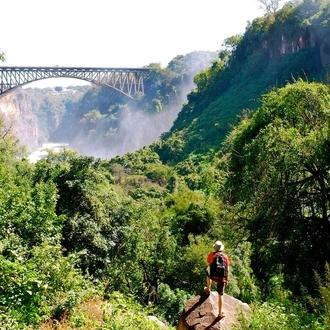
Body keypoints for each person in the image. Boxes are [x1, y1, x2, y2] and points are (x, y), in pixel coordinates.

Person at [204, 240, 230, 319]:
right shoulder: (225, 257)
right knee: (220, 294)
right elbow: (227, 269)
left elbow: (209, 265)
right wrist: (226, 279)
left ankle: (208, 289)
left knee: (207, 272)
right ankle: (219, 314)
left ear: (215, 248)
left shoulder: (211, 254)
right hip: (222, 278)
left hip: (213, 276)